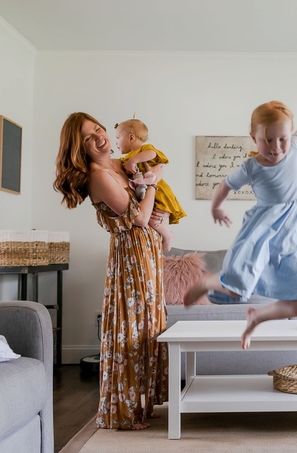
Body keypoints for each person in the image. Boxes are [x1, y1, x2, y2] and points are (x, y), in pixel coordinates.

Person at [184, 87, 297, 349]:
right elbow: (225, 184)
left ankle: (258, 317)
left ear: (290, 136)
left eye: (282, 139)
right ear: (253, 137)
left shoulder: (294, 148)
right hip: (264, 231)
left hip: (296, 232)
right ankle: (209, 281)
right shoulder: (252, 167)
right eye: (266, 140)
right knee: (237, 289)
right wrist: (216, 207)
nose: (276, 147)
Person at [53, 112, 168, 430]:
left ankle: (141, 404)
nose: (99, 137)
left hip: (147, 250)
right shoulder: (98, 176)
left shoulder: (121, 163)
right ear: (80, 147)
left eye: (99, 129)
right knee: (129, 329)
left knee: (148, 326)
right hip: (131, 254)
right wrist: (154, 186)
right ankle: (124, 413)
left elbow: (154, 163)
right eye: (89, 137)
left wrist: (151, 174)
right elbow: (140, 218)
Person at [114, 118, 186, 252]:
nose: (116, 143)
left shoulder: (144, 149)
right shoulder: (124, 159)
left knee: (153, 220)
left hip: (159, 193)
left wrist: (133, 160)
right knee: (149, 220)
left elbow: (153, 154)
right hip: (146, 195)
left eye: (118, 138)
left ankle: (168, 235)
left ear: (131, 137)